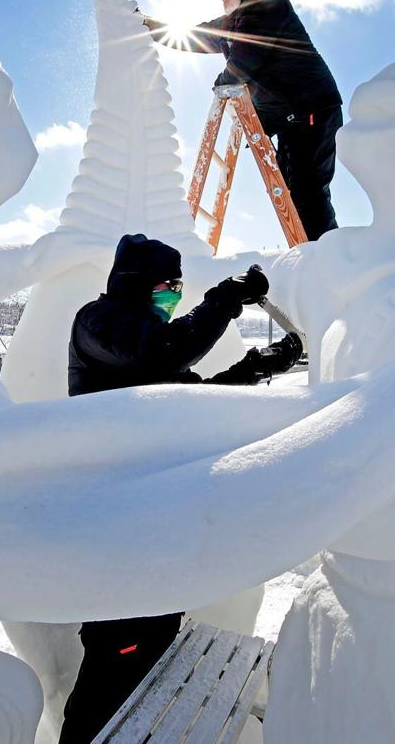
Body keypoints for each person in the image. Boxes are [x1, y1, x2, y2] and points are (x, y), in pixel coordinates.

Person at [59, 233, 302, 743]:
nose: (174, 296)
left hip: (154, 526)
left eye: (178, 287)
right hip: (111, 530)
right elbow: (162, 355)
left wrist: (255, 367)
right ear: (137, 284)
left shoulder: (144, 339)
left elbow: (194, 399)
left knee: (154, 645)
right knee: (113, 662)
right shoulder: (99, 324)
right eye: (168, 286)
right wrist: (224, 300)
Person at [142, 0, 343, 240]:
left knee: (308, 191)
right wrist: (149, 26)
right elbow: (197, 36)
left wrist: (223, 84)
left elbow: (247, 58)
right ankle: (311, 253)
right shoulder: (236, 20)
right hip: (292, 116)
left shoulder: (266, 2)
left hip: (311, 109)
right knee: (294, 192)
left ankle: (326, 258)